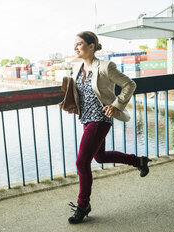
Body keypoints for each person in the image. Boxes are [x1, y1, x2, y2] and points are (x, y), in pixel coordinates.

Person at [67, 31, 151, 224]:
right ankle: (139, 161)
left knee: (82, 162)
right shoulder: (77, 66)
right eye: (75, 44)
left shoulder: (106, 66)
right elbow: (80, 93)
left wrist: (116, 105)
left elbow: (130, 85)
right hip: (86, 118)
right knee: (100, 156)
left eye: (79, 44)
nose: (75, 48)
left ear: (91, 46)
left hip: (101, 118)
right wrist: (74, 105)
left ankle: (83, 205)